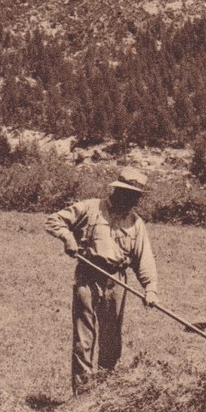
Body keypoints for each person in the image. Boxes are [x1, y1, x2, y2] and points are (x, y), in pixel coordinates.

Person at [45, 167, 160, 394]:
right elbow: (53, 220)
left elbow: (143, 258)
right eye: (128, 195)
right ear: (117, 191)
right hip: (88, 275)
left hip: (116, 280)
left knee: (111, 339)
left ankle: (104, 392)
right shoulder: (90, 208)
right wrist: (68, 237)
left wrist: (151, 289)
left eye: (136, 197)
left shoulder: (136, 223)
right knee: (83, 338)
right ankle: (83, 392)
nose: (132, 201)